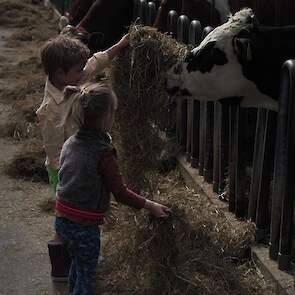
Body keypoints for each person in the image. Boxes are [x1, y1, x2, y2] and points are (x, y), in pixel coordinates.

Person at [55, 82, 170, 295]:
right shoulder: (103, 152)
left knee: (77, 266)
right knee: (87, 276)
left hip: (62, 220)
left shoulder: (70, 142)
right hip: (84, 227)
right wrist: (150, 205)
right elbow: (120, 192)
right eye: (114, 112)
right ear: (107, 117)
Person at [36, 34, 129, 281]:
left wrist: (119, 44)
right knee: (66, 215)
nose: (83, 73)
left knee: (79, 211)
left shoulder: (72, 78)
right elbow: (55, 149)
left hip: (83, 161)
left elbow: (95, 63)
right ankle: (62, 266)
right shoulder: (50, 110)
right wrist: (66, 174)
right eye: (78, 70)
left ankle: (81, 251)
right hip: (65, 168)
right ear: (60, 73)